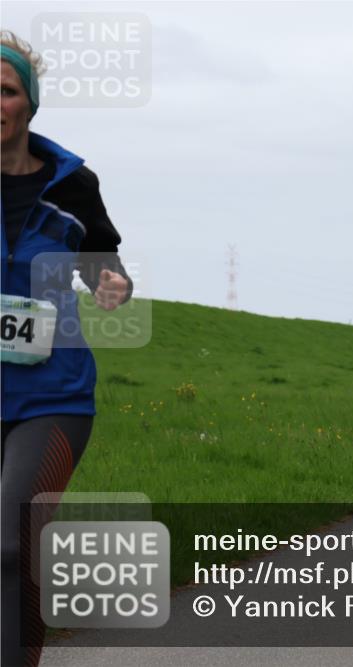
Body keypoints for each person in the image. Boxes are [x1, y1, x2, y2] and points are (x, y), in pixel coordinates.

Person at [1, 32, 133, 667]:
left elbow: (104, 268)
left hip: (52, 395)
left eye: (5, 90)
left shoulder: (73, 186)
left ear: (29, 104)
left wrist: (115, 284)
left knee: (14, 543)